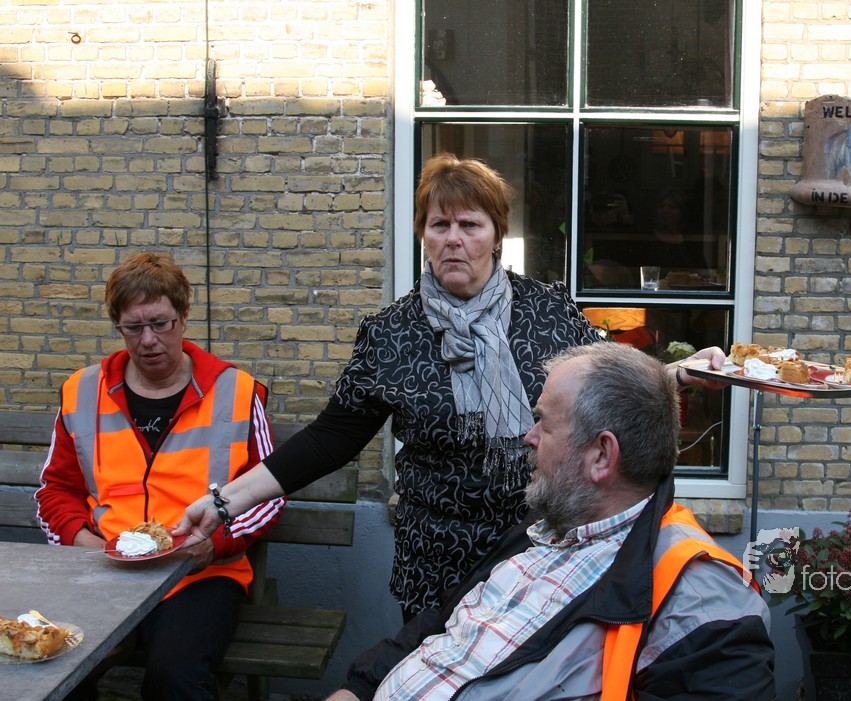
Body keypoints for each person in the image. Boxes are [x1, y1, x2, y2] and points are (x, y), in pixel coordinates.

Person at [174, 152, 727, 621]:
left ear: (497, 235)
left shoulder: (548, 311)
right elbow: (330, 439)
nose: (454, 240)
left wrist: (676, 373)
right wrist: (225, 501)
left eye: (471, 225)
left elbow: (609, 383)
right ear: (424, 234)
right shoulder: (391, 332)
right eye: (440, 225)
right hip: (436, 558)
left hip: (543, 547)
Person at [327, 342, 775, 700]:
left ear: (601, 456)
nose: (528, 436)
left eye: (543, 422)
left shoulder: (703, 602)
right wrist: (358, 688)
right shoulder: (544, 529)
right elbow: (443, 625)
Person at [34, 252, 286, 701]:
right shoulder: (82, 391)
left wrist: (214, 545)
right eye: (134, 327)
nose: (148, 340)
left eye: (160, 323)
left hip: (197, 573)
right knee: (52, 670)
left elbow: (269, 494)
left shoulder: (236, 391)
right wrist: (83, 544)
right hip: (103, 570)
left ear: (184, 315)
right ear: (118, 327)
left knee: (175, 678)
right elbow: (56, 490)